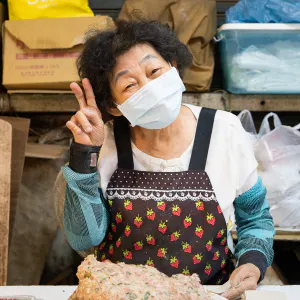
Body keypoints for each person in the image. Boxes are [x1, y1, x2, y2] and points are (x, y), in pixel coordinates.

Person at [61, 20, 275, 299]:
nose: (150, 87)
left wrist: (252, 261)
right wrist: (84, 156)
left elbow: (255, 219)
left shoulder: (225, 130)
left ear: (173, 66)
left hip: (210, 293)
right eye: (129, 85)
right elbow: (84, 238)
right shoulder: (104, 143)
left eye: (155, 71)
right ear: (114, 106)